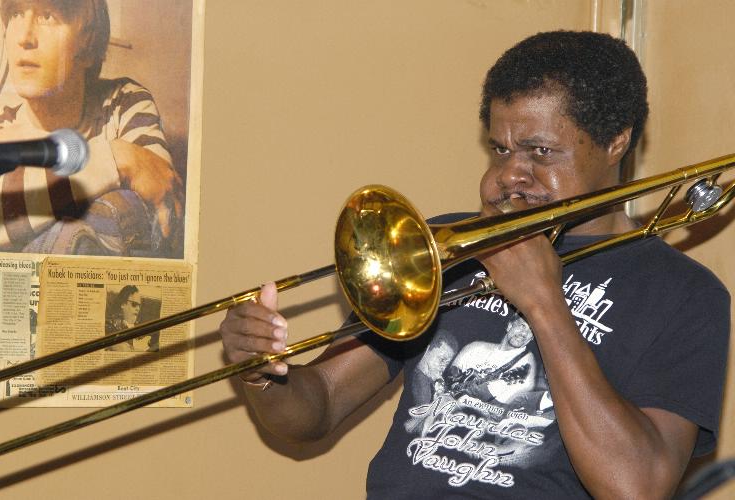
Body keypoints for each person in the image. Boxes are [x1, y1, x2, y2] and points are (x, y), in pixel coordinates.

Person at [219, 31, 730, 497]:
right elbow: (320, 406)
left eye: (540, 151)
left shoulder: (685, 294)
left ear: (615, 141)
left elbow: (637, 487)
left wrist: (544, 303)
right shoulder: (445, 247)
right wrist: (263, 374)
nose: (509, 175)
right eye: (500, 149)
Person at [0, 0, 184, 257]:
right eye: (16, 14)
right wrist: (115, 158)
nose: (24, 37)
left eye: (48, 16)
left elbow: (159, 200)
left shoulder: (123, 103)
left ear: (88, 45)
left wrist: (24, 199)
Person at [105, 284, 155, 352]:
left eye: (139, 305)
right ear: (123, 304)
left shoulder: (142, 327)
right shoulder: (111, 325)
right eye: (134, 304)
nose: (138, 309)